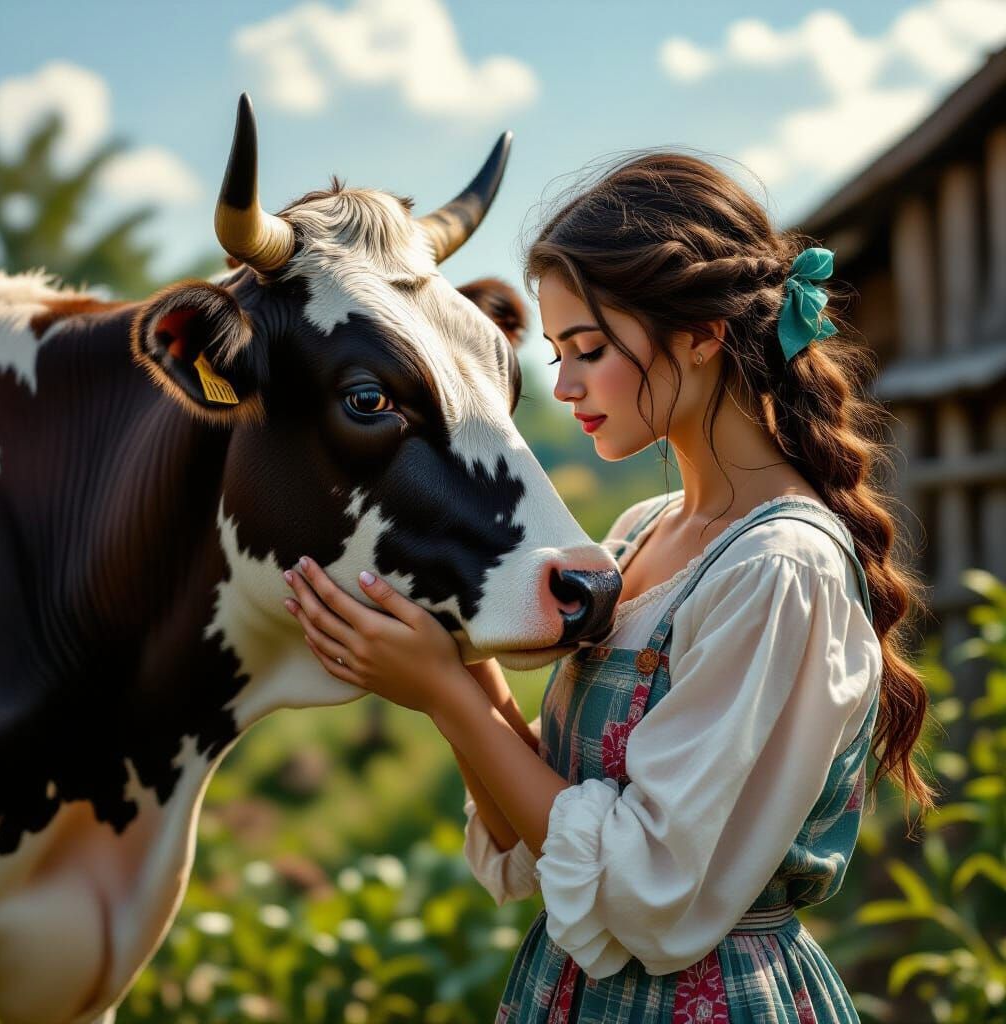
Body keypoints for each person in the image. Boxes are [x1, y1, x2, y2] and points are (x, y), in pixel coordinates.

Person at [281, 151, 936, 1023]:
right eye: (556, 353)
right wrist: (460, 668)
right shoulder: (638, 534)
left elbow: (647, 889)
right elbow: (538, 838)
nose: (565, 386)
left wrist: (445, 693)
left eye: (589, 349)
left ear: (701, 334)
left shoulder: (778, 569)